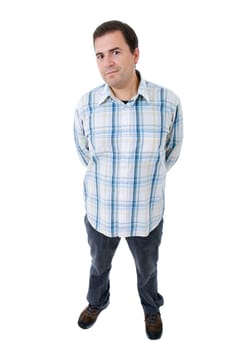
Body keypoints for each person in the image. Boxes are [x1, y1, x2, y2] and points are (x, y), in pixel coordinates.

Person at [74, 20, 183, 340]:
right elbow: (84, 154)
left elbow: (171, 153)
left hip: (146, 213)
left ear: (135, 54)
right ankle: (96, 301)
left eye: (116, 51)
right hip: (101, 211)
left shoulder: (168, 102)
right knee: (98, 266)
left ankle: (151, 308)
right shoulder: (86, 105)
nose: (107, 61)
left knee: (148, 268)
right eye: (99, 55)